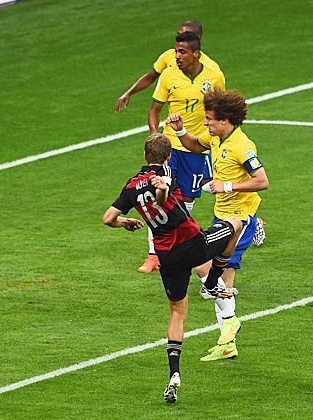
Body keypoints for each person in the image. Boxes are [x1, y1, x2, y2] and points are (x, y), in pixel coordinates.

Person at [103, 133, 241, 403]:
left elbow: (108, 218)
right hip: (193, 245)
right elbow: (163, 191)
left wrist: (126, 223)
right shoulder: (166, 176)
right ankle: (212, 282)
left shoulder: (131, 186)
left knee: (178, 313)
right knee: (236, 224)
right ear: (168, 157)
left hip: (167, 257)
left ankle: (174, 374)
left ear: (145, 156)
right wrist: (163, 187)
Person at [168, 89, 269, 361]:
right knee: (216, 275)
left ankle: (229, 325)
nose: (206, 123)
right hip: (222, 216)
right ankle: (228, 341)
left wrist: (227, 185)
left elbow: (262, 180)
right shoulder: (214, 138)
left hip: (240, 218)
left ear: (226, 120)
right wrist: (179, 132)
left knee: (207, 268)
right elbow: (194, 145)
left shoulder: (241, 145)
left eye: (210, 119)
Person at [135, 31, 226, 274]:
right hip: (170, 147)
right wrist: (156, 136)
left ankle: (245, 220)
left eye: (182, 52)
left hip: (194, 147)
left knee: (185, 202)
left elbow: (220, 111)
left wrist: (215, 138)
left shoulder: (214, 75)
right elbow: (154, 109)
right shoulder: (169, 75)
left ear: (196, 53)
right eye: (175, 51)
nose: (176, 56)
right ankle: (154, 255)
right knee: (156, 196)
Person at [114, 20, 220, 113]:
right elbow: (150, 77)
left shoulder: (211, 68)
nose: (180, 38)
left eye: (185, 34)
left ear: (197, 38)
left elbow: (221, 104)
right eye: (179, 34)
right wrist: (129, 93)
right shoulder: (169, 56)